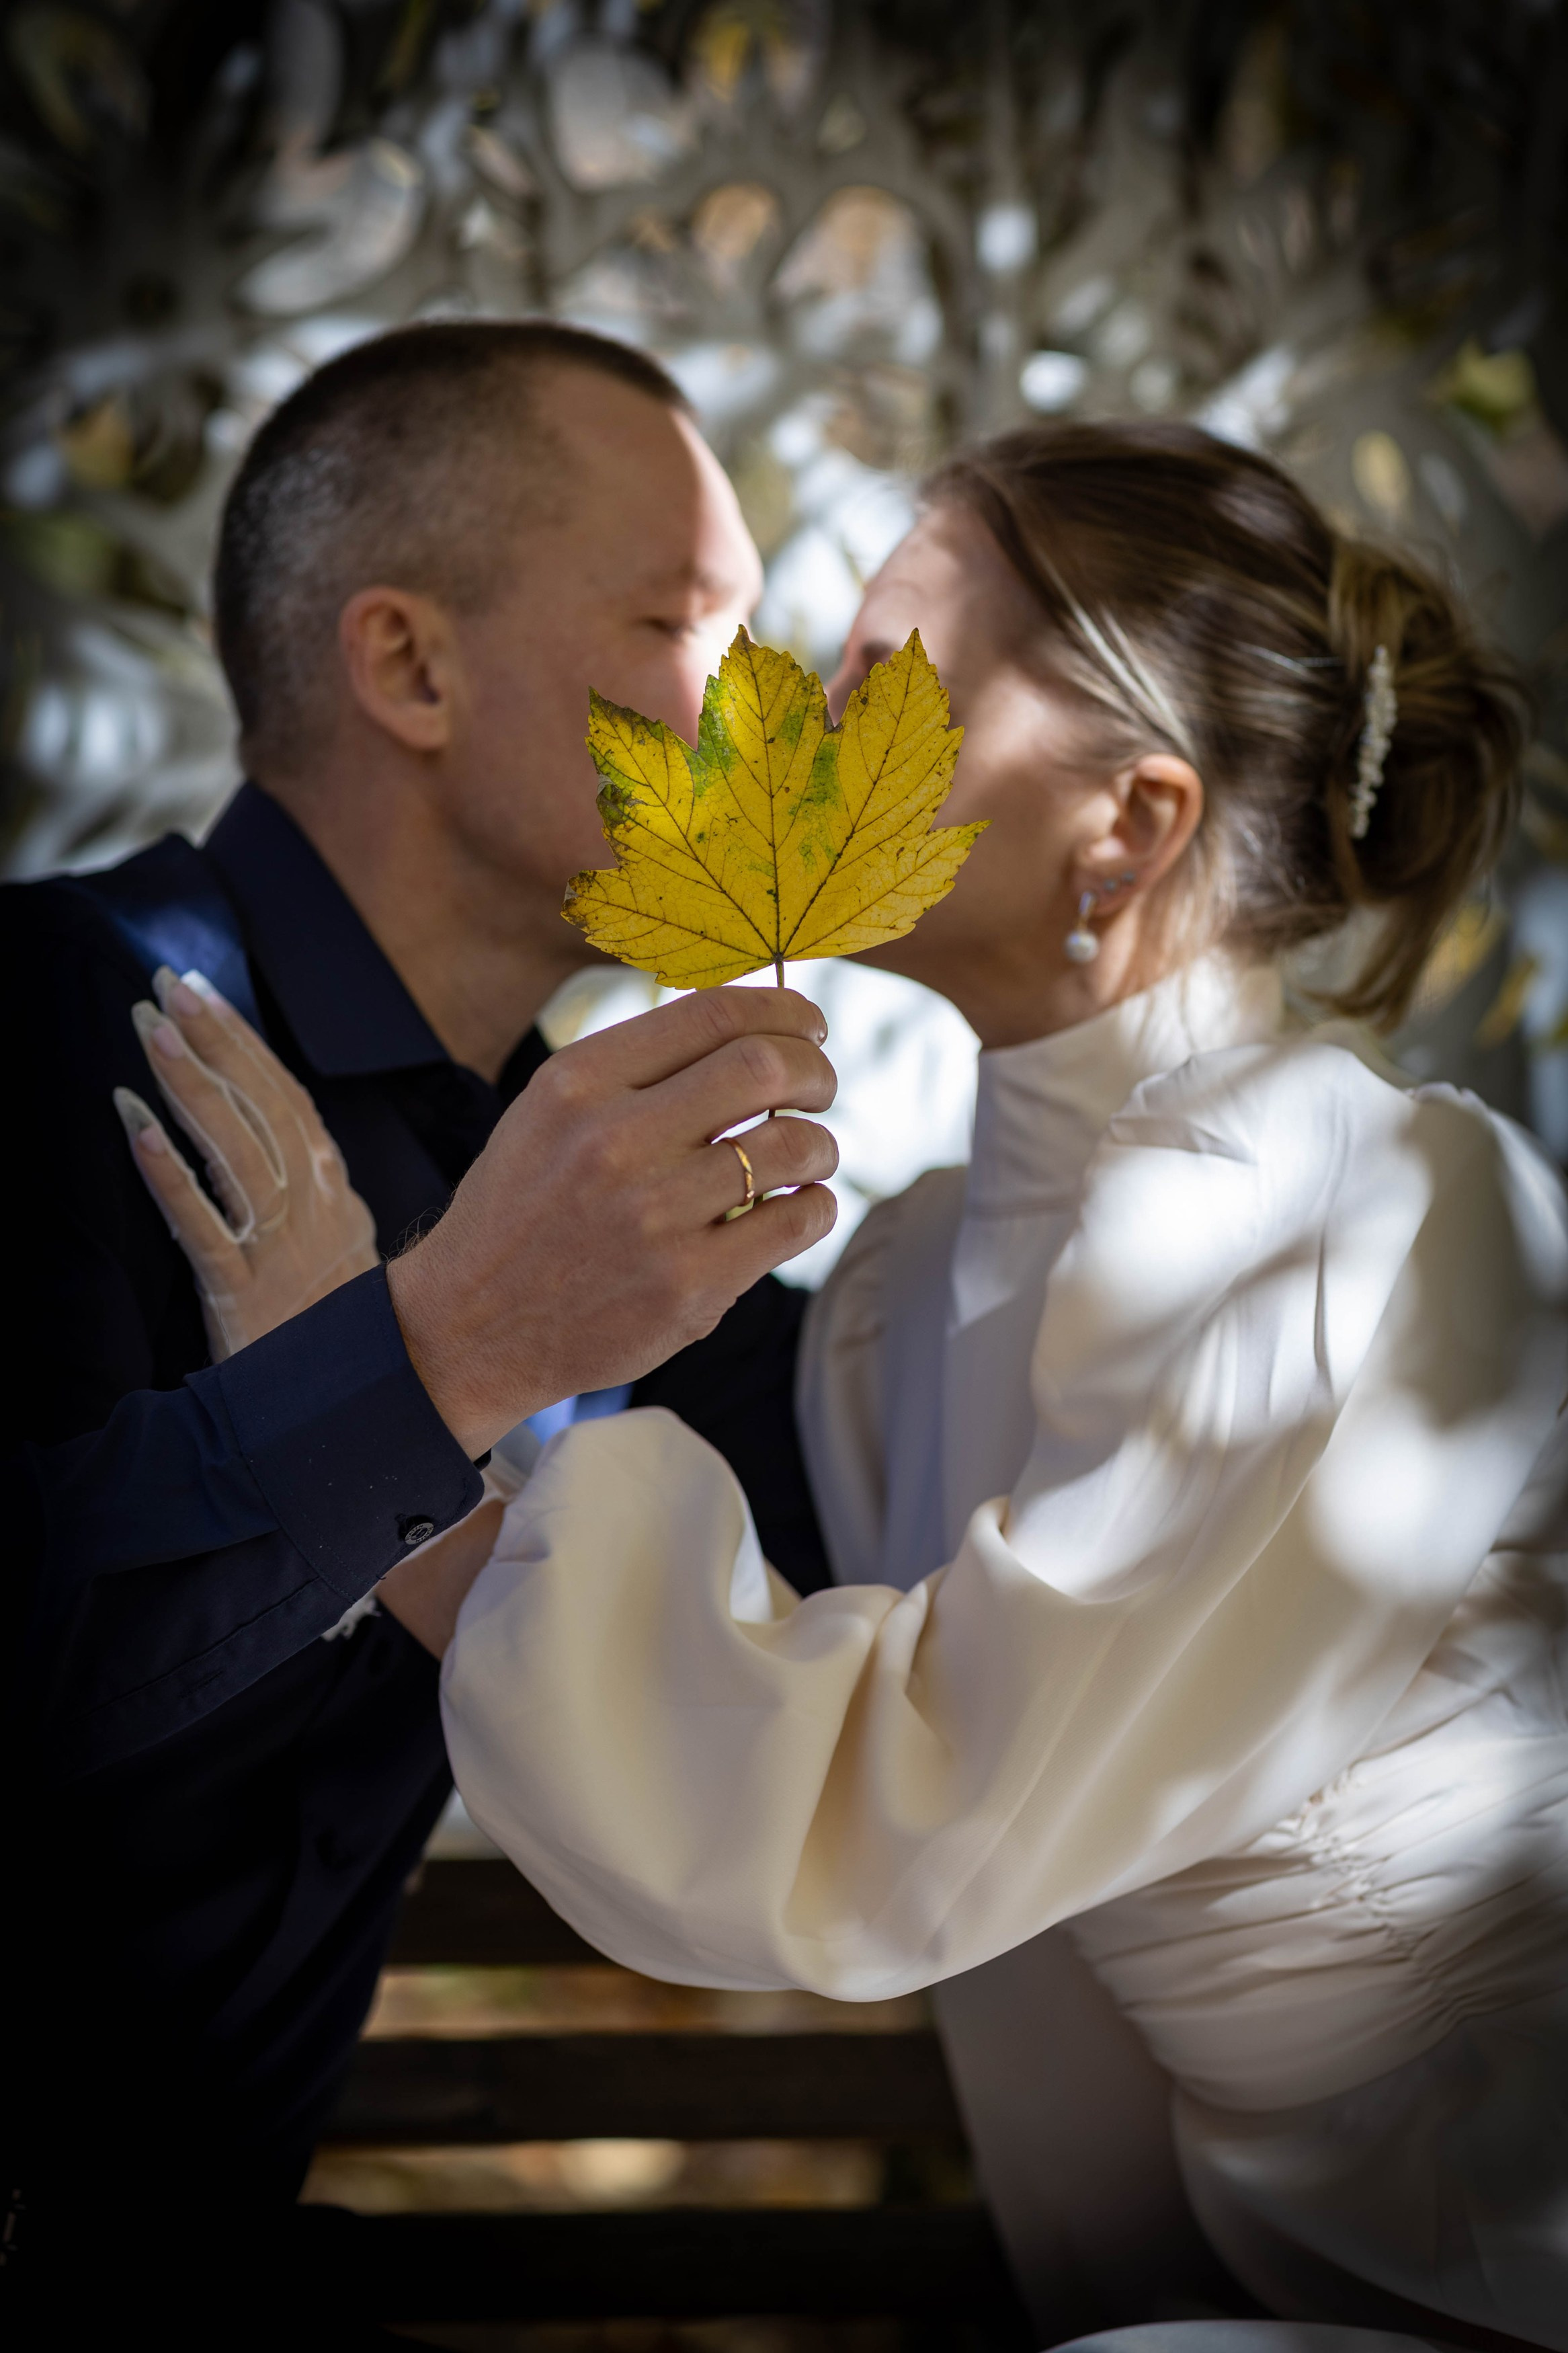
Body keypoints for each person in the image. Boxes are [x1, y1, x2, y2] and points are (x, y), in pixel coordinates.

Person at [110, 424, 1567, 2346]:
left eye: (884, 676)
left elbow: (884, 1809)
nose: (781, 726)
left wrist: (365, 1385)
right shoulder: (896, 1285)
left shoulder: (1353, 1213)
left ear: (1129, 825)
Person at [1, 320, 839, 2340]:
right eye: (680, 622)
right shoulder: (38, 1021)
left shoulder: (600, 1195)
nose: (763, 714)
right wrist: (438, 1356)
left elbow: (868, 1555)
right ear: (408, 666)